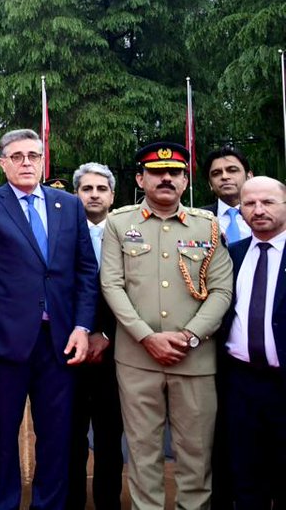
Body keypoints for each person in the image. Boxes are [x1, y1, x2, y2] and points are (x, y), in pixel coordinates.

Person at [0, 128, 97, 510]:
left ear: (42, 160)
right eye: (16, 156)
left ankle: (47, 504)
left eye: (33, 155)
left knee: (56, 436)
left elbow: (86, 271)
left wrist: (84, 327)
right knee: (3, 434)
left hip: (60, 342)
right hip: (4, 341)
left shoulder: (68, 205)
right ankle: (2, 504)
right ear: (3, 163)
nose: (26, 163)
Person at [100, 142, 234, 510]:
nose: (166, 178)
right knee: (143, 454)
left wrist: (190, 336)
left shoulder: (206, 225)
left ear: (185, 180)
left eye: (174, 173)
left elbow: (222, 289)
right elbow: (111, 284)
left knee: (196, 456)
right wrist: (146, 337)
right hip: (137, 359)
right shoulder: (119, 223)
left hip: (195, 360)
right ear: (141, 179)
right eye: (157, 173)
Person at [219, 176, 286, 510]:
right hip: (240, 384)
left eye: (268, 202)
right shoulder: (231, 255)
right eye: (250, 204)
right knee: (246, 481)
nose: (258, 210)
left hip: (283, 382)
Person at [68, 162, 123, 510]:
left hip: (116, 350)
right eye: (87, 189)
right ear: (76, 194)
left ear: (112, 196)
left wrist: (106, 333)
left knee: (108, 436)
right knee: (69, 436)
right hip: (69, 350)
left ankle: (108, 502)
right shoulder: (60, 232)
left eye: (101, 189)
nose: (94, 195)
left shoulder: (129, 234)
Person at [201, 145, 254, 243]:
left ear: (249, 176)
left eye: (232, 170)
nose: (224, 176)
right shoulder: (199, 219)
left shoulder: (267, 214)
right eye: (216, 173)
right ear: (210, 184)